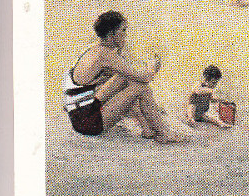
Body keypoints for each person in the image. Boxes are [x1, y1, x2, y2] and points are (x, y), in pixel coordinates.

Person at [63, 10, 186, 143]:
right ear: (111, 34)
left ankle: (147, 128)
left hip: (80, 114)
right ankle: (165, 134)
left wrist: (121, 51)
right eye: (123, 31)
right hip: (87, 124)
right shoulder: (105, 55)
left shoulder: (95, 50)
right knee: (142, 88)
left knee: (124, 79)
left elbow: (123, 75)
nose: (125, 35)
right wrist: (154, 67)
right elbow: (143, 77)